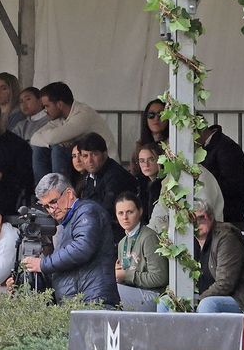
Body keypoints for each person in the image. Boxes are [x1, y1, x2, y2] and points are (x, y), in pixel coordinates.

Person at [21, 173, 118, 305]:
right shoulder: (68, 221)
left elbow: (81, 248)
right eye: (46, 206)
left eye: (53, 202)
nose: (51, 210)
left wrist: (42, 264)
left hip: (94, 301)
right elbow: (64, 268)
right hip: (80, 302)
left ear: (69, 194)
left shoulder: (87, 211)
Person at [169, 197, 244, 317]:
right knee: (166, 303)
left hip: (242, 300)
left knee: (208, 305)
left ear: (210, 217)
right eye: (192, 220)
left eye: (202, 217)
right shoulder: (188, 241)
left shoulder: (226, 238)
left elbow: (225, 284)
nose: (197, 223)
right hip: (205, 297)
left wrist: (196, 302)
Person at [132, 143, 225, 232]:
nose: (170, 156)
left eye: (151, 159)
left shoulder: (202, 176)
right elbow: (160, 211)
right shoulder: (170, 178)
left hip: (206, 237)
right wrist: (146, 235)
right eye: (168, 153)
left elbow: (202, 215)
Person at [29, 82, 111, 181]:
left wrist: (54, 141)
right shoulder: (61, 118)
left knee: (59, 147)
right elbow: (34, 139)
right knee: (39, 148)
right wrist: (52, 141)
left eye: (47, 106)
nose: (45, 111)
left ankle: (60, 188)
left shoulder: (83, 114)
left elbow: (52, 138)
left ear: (59, 104)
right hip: (83, 161)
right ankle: (43, 188)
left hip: (102, 163)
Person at [112, 193, 166, 310]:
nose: (125, 217)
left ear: (140, 212)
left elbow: (160, 277)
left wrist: (126, 275)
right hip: (133, 292)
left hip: (154, 296)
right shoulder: (122, 242)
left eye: (130, 212)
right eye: (120, 213)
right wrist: (118, 276)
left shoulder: (149, 237)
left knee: (110, 290)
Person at [198, 122, 244, 226]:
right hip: (216, 212)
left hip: (226, 215)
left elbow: (233, 186)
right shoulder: (217, 146)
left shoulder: (227, 148)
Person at [73, 132, 136, 217]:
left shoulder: (115, 176)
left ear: (105, 154)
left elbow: (107, 211)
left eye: (94, 154)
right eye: (85, 156)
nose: (89, 160)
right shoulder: (91, 174)